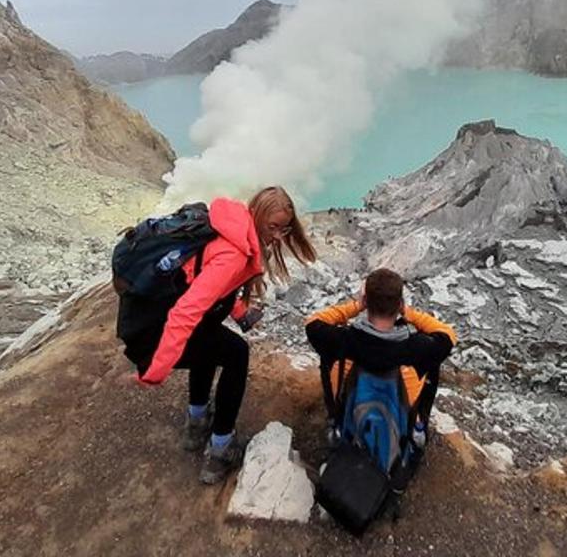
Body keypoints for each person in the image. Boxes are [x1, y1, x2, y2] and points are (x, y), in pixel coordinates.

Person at [122, 186, 316, 484]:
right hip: (153, 330)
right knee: (237, 353)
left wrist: (239, 312)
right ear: (258, 215)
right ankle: (220, 450)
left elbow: (205, 282)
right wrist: (155, 371)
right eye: (273, 227)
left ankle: (196, 424)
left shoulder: (231, 225)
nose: (278, 236)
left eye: (284, 228)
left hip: (147, 314)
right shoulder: (235, 255)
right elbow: (185, 312)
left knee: (212, 343)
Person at [305, 268, 456, 455]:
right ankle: (416, 431)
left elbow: (313, 322)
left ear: (366, 302)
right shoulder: (417, 349)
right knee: (432, 364)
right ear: (399, 304)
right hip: (397, 445)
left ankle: (335, 422)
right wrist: (407, 313)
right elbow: (447, 334)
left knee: (328, 356)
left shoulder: (343, 340)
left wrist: (356, 306)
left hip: (349, 433)